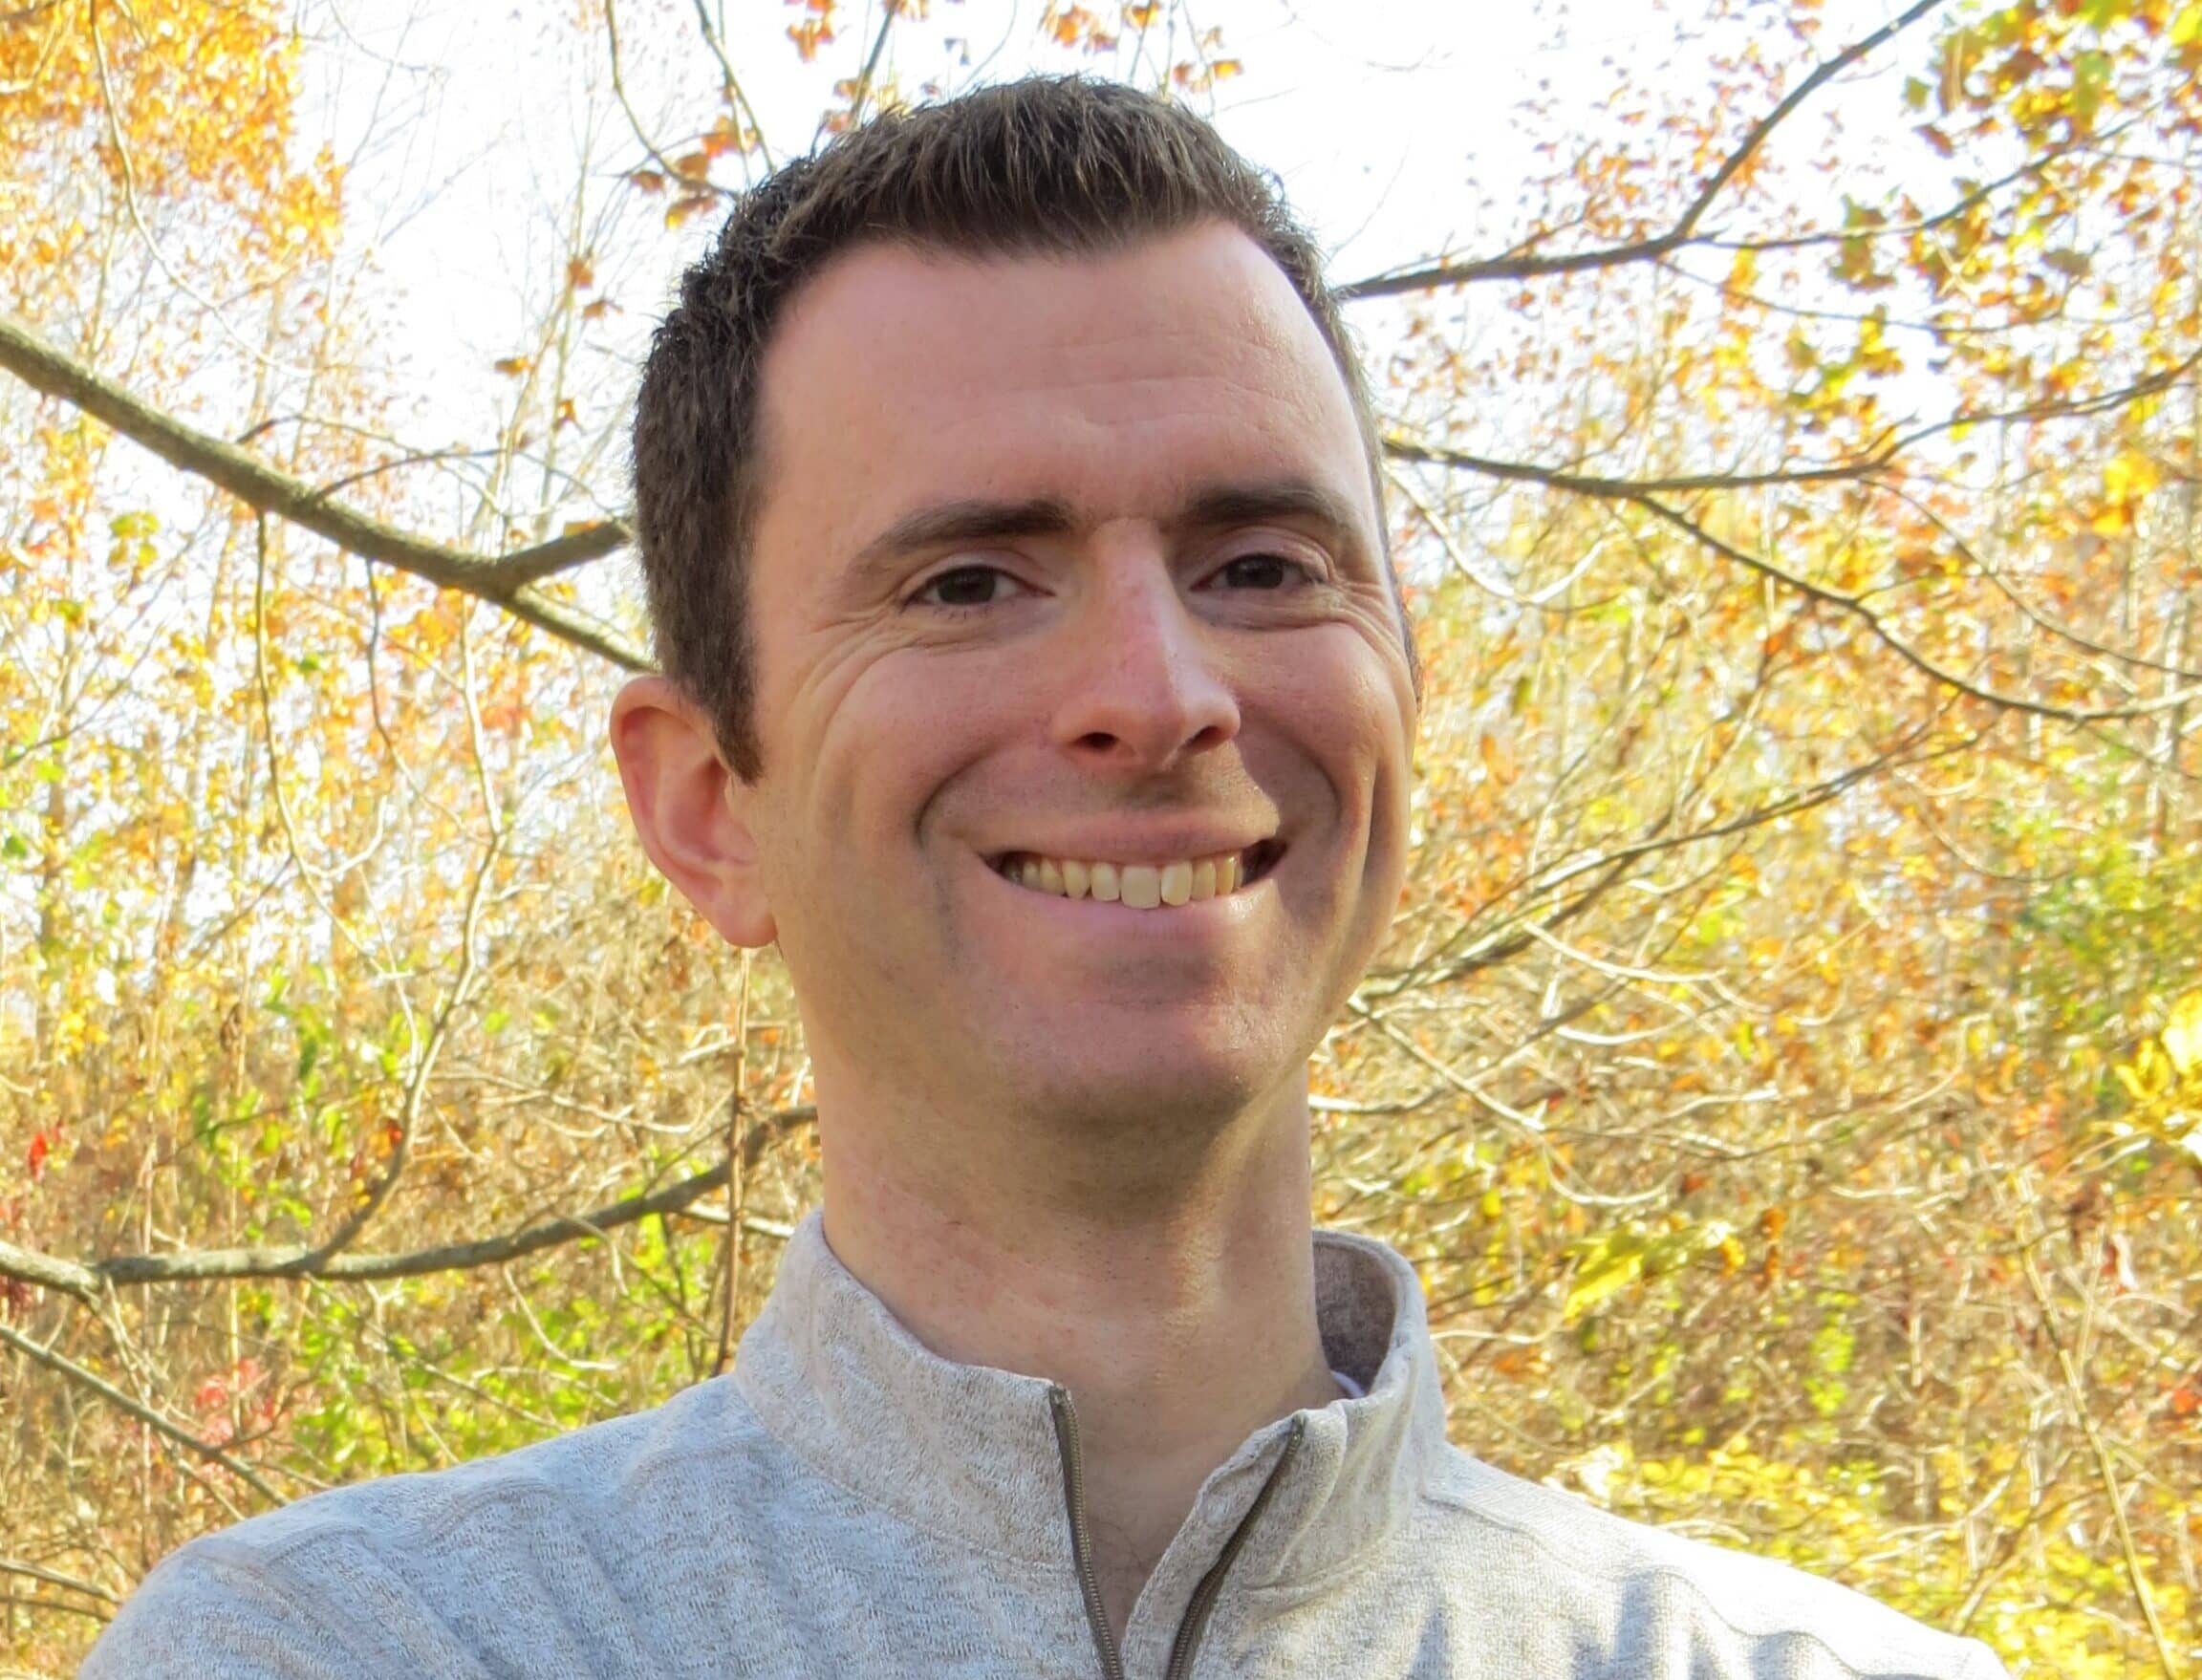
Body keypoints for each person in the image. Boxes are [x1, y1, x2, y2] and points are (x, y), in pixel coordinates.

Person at [86, 76, 2011, 1679]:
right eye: (967, 582)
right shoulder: (345, 1651)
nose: (1160, 695)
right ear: (707, 806)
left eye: (1260, 566)